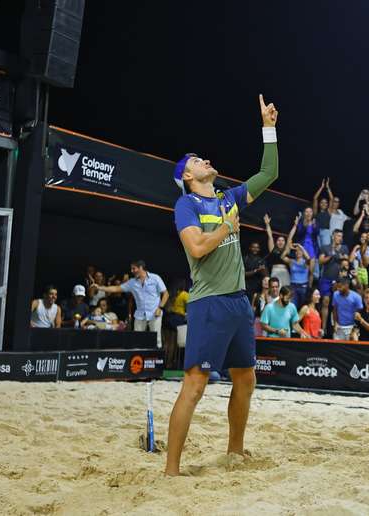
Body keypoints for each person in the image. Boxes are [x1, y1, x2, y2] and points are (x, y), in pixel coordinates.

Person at [163, 94, 279, 477]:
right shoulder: (187, 207)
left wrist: (268, 128)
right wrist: (228, 228)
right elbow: (196, 248)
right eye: (197, 161)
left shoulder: (229, 198)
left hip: (238, 302)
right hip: (208, 303)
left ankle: (235, 450)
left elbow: (269, 175)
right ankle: (171, 470)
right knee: (195, 385)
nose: (205, 160)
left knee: (246, 377)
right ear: (188, 177)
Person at [98, 260, 168, 348]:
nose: (131, 271)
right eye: (131, 269)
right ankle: (138, 361)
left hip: (155, 314)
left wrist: (160, 308)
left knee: (156, 341)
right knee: (137, 341)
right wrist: (100, 287)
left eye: (134, 268)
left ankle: (157, 361)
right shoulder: (132, 282)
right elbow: (116, 288)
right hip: (140, 315)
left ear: (141, 268)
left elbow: (166, 293)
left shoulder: (155, 278)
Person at [318, 229, 349, 335]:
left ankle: (338, 327)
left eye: (341, 236)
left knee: (338, 303)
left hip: (339, 279)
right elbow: (321, 261)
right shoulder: (325, 247)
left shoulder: (344, 248)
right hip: (326, 278)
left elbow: (346, 259)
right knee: (325, 301)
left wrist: (339, 256)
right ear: (333, 236)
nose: (339, 238)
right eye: (338, 236)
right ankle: (324, 328)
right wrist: (331, 254)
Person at [263, 214, 290, 287]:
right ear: (276, 242)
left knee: (285, 291)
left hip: (285, 272)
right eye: (279, 240)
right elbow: (270, 236)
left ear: (285, 242)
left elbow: (290, 237)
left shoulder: (287, 251)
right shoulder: (273, 249)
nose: (280, 242)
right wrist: (267, 224)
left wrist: (295, 226)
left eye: (282, 240)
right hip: (275, 272)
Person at [281, 242, 311, 308]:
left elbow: (308, 258)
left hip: (303, 286)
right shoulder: (291, 261)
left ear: (303, 252)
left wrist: (300, 246)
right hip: (293, 286)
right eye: (296, 251)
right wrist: (288, 247)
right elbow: (282, 257)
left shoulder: (305, 262)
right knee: (293, 306)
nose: (298, 252)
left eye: (300, 251)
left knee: (303, 306)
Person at [312, 178, 333, 247]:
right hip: (317, 231)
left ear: (327, 204)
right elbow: (315, 198)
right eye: (322, 202)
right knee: (317, 249)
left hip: (326, 232)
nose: (324, 204)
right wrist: (321, 187)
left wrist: (327, 187)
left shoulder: (329, 211)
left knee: (325, 249)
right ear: (319, 204)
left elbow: (331, 199)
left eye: (325, 203)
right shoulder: (316, 212)